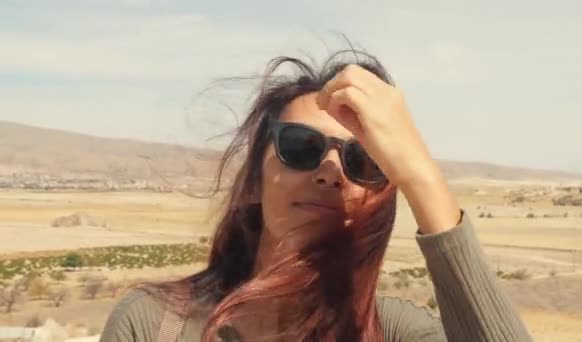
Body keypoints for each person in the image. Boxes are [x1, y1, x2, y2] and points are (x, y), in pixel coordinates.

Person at [99, 48, 532, 341]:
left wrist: (422, 177)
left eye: (364, 162)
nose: (330, 172)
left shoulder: (392, 331)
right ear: (253, 178)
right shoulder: (154, 325)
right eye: (301, 147)